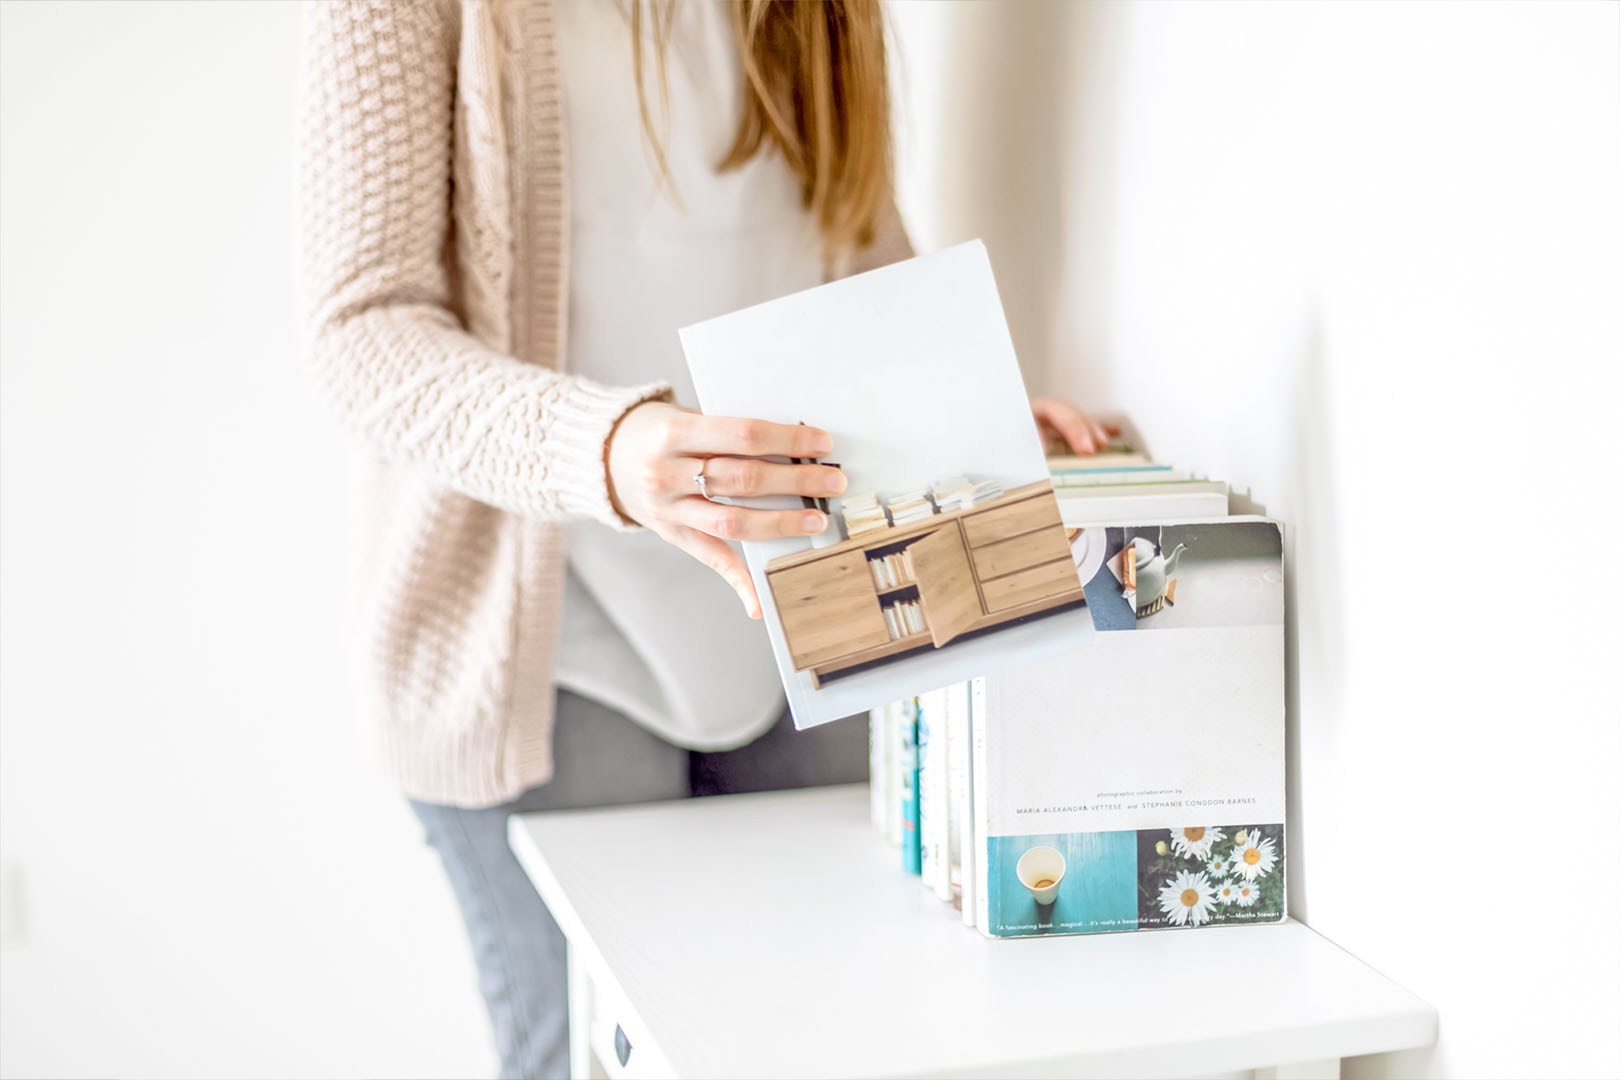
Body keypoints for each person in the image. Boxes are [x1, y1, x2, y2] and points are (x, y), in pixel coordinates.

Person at [297, 2, 1112, 1076]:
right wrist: (610, 447)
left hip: (792, 626)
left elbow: (851, 245)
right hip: (541, 649)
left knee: (839, 1037)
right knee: (591, 1055)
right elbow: (364, 332)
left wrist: (971, 422)